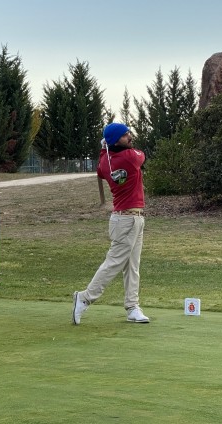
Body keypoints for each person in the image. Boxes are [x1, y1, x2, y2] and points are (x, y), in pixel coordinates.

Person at [72, 122, 150, 324]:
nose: (130, 137)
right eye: (125, 135)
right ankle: (85, 298)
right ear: (116, 140)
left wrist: (103, 147)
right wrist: (106, 146)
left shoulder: (105, 162)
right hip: (127, 220)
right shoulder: (131, 157)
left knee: (132, 266)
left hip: (131, 219)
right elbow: (142, 156)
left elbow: (100, 167)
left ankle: (132, 307)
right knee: (114, 263)